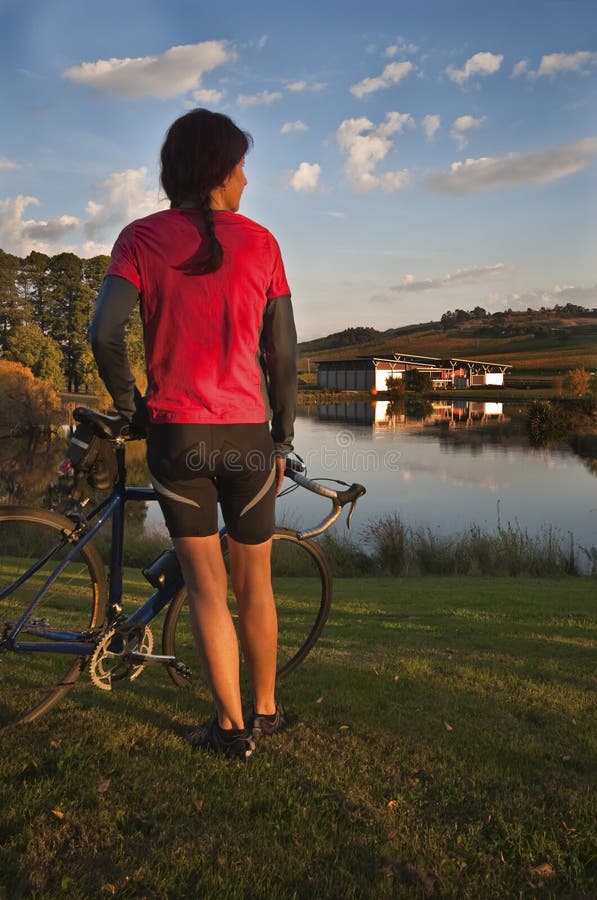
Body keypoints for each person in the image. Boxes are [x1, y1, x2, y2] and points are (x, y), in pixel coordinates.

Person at [89, 108, 297, 759]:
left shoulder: (141, 239)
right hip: (247, 438)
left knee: (206, 588)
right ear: (218, 171)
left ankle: (230, 730)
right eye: (239, 167)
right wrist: (282, 434)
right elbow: (282, 356)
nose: (244, 180)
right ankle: (264, 711)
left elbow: (103, 332)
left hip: (179, 437)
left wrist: (134, 408)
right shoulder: (261, 242)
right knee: (253, 584)